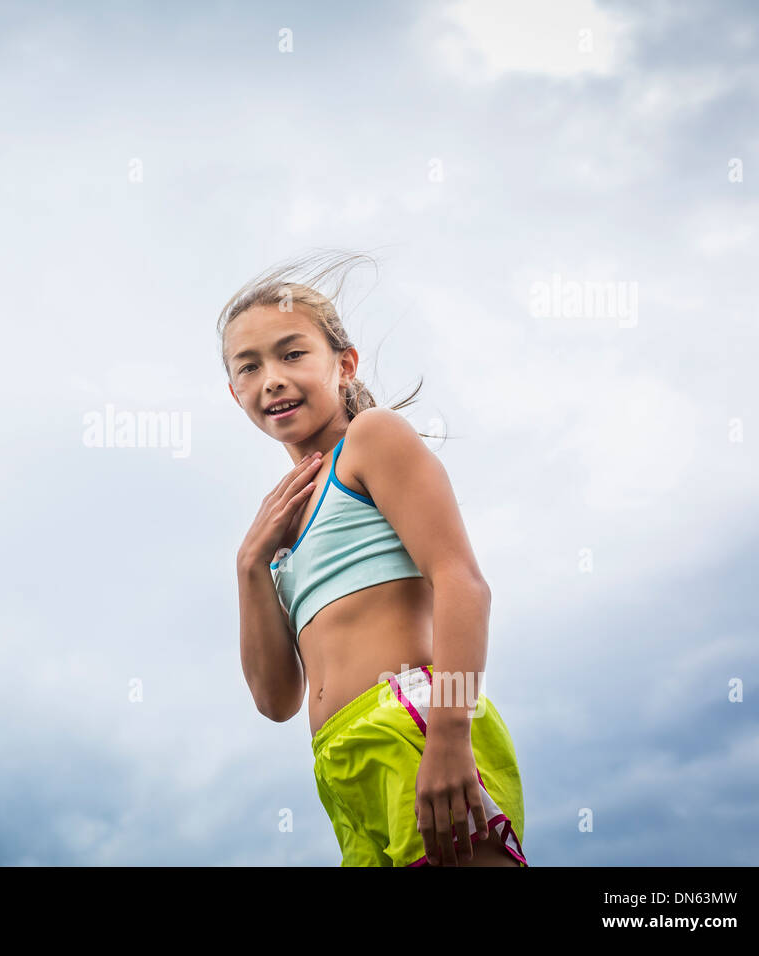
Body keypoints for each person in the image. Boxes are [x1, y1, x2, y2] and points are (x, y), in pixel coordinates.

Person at [222, 251, 528, 867]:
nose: (272, 379)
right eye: (249, 367)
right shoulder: (281, 532)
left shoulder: (372, 439)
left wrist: (449, 734)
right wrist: (250, 567)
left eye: (292, 353)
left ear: (344, 363)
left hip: (415, 725)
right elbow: (277, 700)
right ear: (235, 393)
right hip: (339, 765)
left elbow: (464, 584)